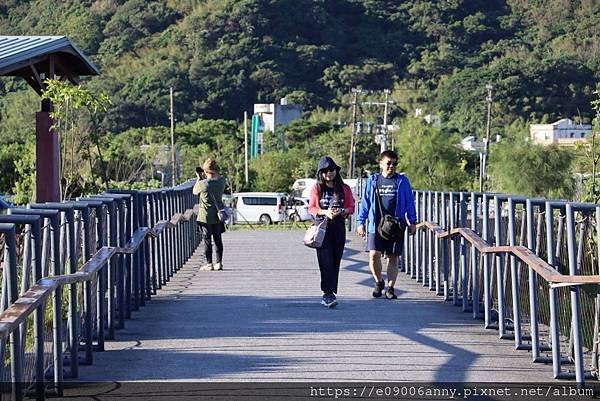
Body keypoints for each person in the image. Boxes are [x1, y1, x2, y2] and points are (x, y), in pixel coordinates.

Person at [356, 150, 417, 300]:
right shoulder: (373, 180)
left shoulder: (402, 181)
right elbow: (365, 203)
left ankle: (390, 287)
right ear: (381, 163)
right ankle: (378, 282)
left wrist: (413, 221)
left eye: (394, 163)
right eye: (389, 163)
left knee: (393, 257)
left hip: (396, 225)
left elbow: (410, 202)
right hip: (375, 225)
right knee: (373, 255)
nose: (392, 166)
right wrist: (360, 222)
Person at [308, 156, 355, 308]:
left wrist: (342, 211)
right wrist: (324, 212)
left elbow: (351, 207)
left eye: (331, 170)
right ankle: (327, 292)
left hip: (338, 227)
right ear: (321, 173)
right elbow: (312, 208)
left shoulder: (344, 188)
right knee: (325, 260)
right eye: (325, 171)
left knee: (335, 260)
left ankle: (331, 291)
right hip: (322, 227)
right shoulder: (317, 188)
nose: (329, 173)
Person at [193, 158, 227, 271]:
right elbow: (217, 180)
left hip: (205, 216)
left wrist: (199, 178)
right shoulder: (222, 182)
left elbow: (194, 191)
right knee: (218, 240)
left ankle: (209, 263)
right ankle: (219, 262)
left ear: (205, 171)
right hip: (218, 216)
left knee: (207, 240)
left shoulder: (203, 184)